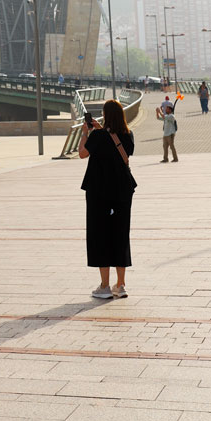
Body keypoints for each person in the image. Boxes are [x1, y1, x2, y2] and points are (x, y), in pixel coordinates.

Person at [79, 98, 137, 300]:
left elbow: (82, 153)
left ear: (105, 115)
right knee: (120, 235)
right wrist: (101, 130)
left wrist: (85, 133)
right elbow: (117, 146)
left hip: (98, 192)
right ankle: (120, 285)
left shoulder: (97, 136)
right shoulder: (128, 135)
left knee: (100, 235)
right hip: (122, 191)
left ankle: (104, 286)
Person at [155, 99, 178, 163]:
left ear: (170, 110)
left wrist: (160, 111)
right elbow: (158, 118)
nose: (165, 110)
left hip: (170, 134)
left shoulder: (171, 116)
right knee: (165, 147)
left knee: (171, 146)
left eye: (167, 109)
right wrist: (157, 112)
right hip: (165, 134)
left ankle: (175, 158)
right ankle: (165, 159)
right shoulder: (167, 116)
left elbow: (163, 117)